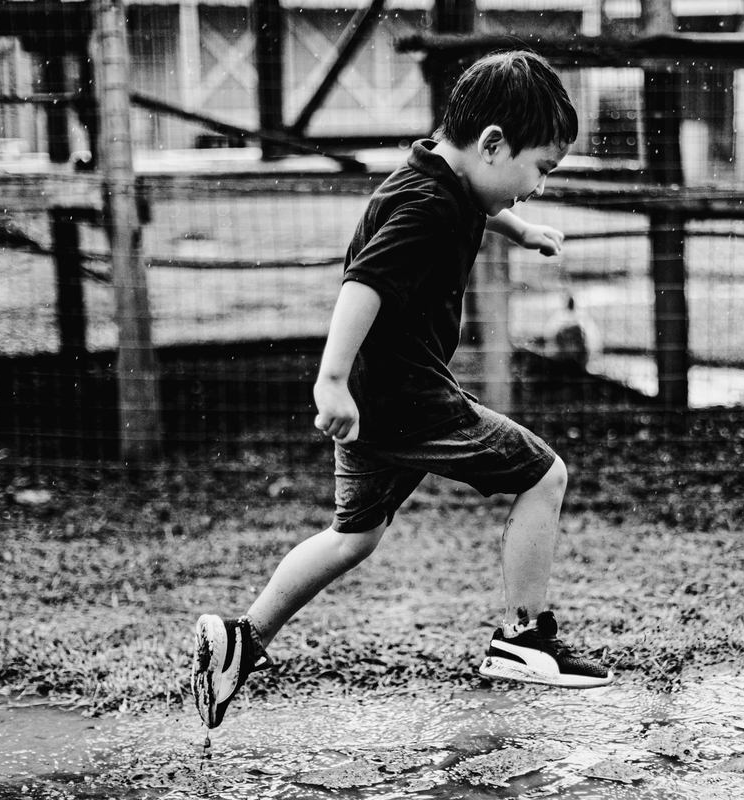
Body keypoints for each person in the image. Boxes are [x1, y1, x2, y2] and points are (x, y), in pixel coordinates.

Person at [193, 50, 613, 730]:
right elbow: (364, 284)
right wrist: (329, 380)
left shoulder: (442, 178)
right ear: (494, 144)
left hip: (375, 404)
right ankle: (524, 637)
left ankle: (242, 640)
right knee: (544, 474)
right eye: (541, 170)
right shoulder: (426, 207)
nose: (535, 186)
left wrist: (520, 226)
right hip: (405, 396)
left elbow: (482, 202)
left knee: (352, 535)